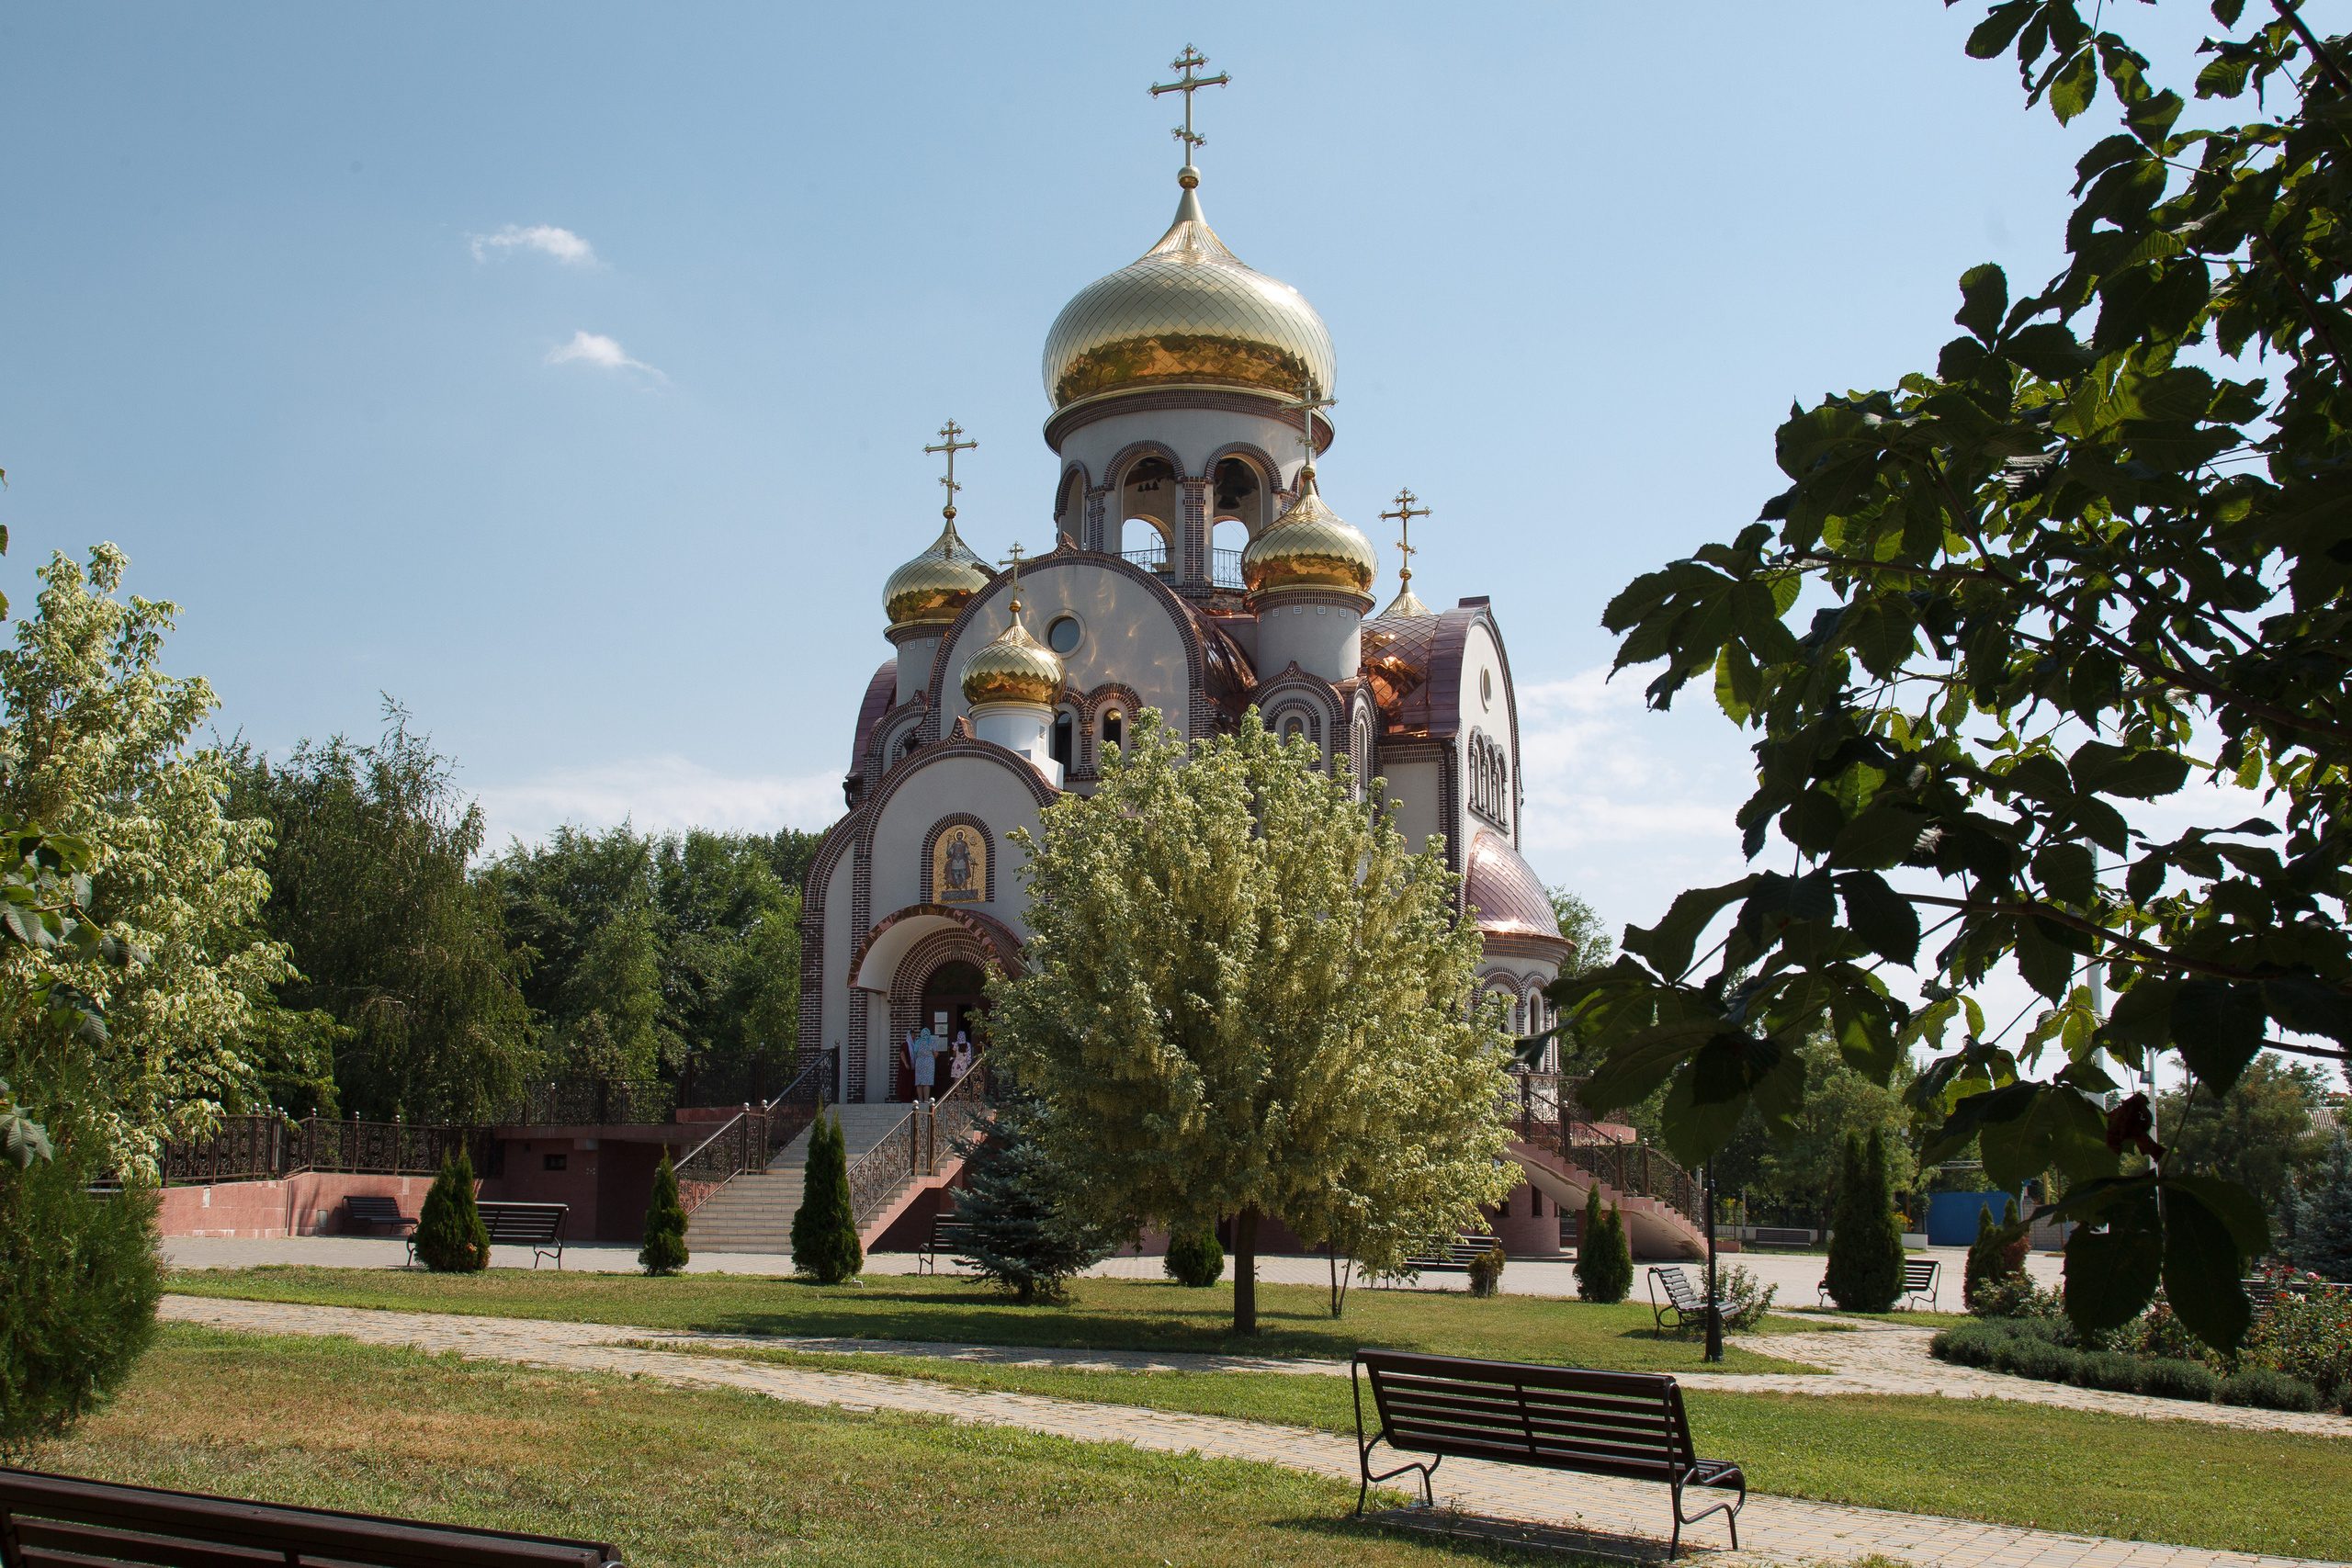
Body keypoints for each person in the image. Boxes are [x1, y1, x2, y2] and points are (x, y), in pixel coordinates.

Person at [908, 1025, 944, 1104]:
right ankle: (926, 1099)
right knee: (926, 1082)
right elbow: (935, 1054)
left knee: (919, 1082)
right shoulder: (931, 1042)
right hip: (929, 1063)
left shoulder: (918, 1042)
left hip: (919, 1062)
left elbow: (915, 1053)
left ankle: (920, 1100)